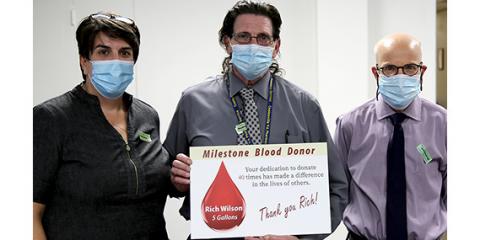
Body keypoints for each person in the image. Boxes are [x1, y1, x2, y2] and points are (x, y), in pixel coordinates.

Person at [165, 1, 347, 239]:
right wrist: (176, 180)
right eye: (243, 37)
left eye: (263, 38)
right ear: (227, 42)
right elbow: (168, 173)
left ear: (276, 46)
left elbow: (337, 188)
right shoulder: (193, 101)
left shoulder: (304, 105)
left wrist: (304, 239)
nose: (253, 45)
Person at [33, 12, 180, 240]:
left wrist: (180, 180)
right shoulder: (51, 118)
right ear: (84, 61)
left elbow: (153, 179)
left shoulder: (147, 115)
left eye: (124, 53)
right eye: (103, 52)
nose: (115, 61)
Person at [334, 33, 447, 240]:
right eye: (390, 68)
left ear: (422, 71)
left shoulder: (444, 124)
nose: (400, 76)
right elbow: (336, 191)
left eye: (410, 68)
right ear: (376, 73)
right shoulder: (349, 125)